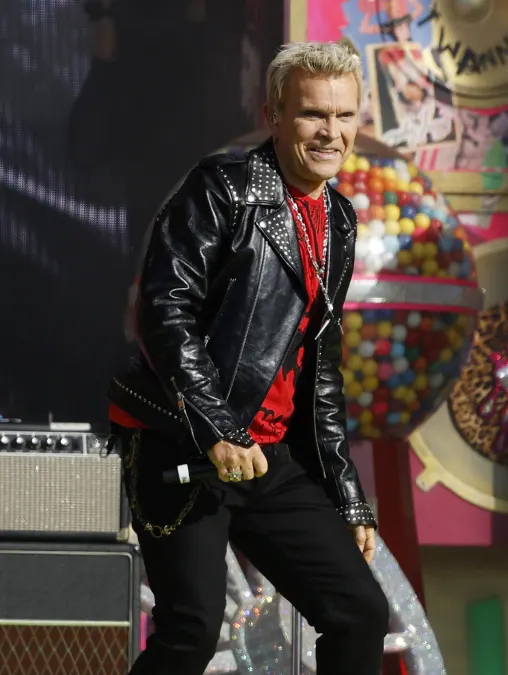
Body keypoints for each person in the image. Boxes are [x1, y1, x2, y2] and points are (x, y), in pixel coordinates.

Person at [106, 41, 389, 675]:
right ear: (275, 115)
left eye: (345, 117)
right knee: (191, 631)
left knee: (359, 612)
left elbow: (320, 370)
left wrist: (346, 494)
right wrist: (218, 429)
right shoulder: (222, 188)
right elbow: (164, 311)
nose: (331, 132)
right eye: (314, 114)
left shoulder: (338, 219)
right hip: (182, 442)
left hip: (267, 456)